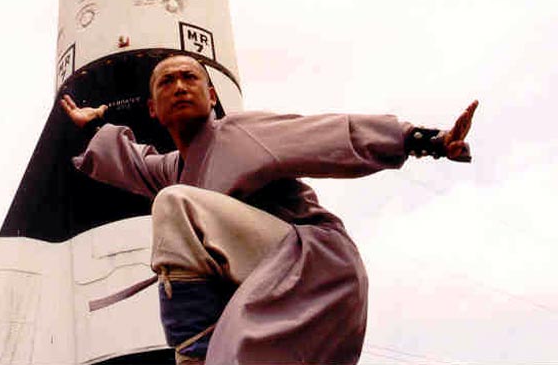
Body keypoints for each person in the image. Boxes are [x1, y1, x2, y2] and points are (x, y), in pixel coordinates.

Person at [61, 55, 477, 365]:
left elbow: (327, 135)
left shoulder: (241, 133)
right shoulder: (175, 171)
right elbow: (130, 161)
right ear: (153, 108)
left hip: (313, 268)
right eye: (167, 81)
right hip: (265, 282)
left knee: (173, 205)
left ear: (211, 94)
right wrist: (92, 127)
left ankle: (195, 358)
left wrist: (426, 141)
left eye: (191, 77)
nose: (180, 86)